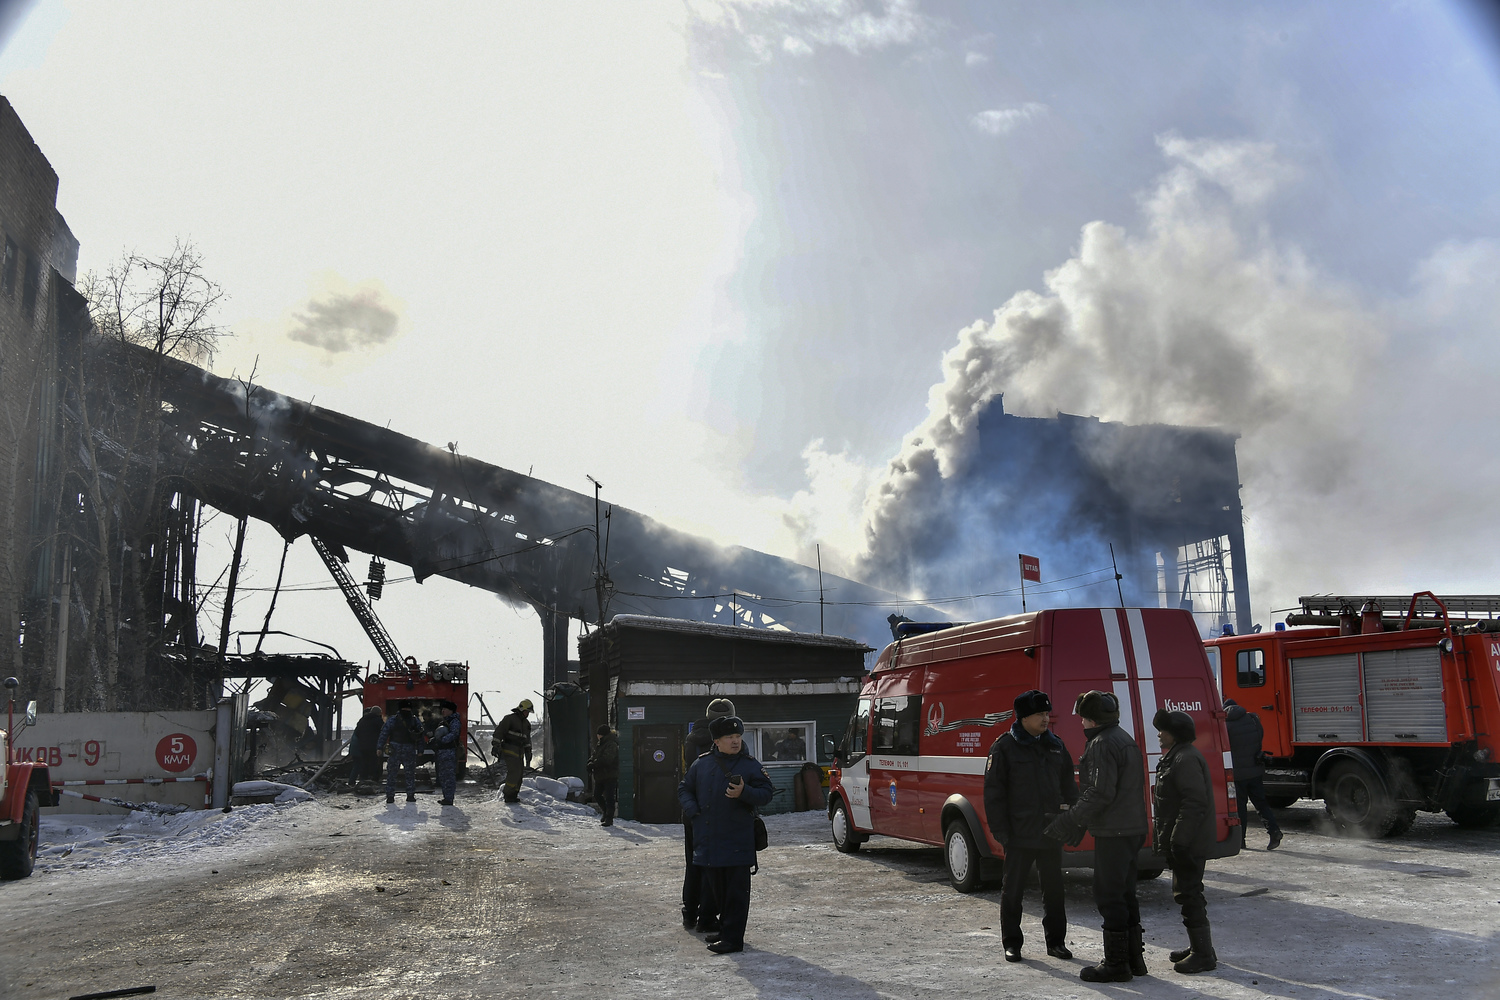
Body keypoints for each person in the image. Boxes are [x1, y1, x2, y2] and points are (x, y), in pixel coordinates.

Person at [1044, 690, 1149, 983]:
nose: (1080, 723)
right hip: (1132, 827)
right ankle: (1133, 959)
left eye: (1082, 718)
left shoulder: (1102, 744)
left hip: (1115, 831)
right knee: (1126, 892)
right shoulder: (1124, 737)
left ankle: (1116, 964)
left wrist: (1069, 820)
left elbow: (1100, 791)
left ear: (1090, 718)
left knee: (1109, 895)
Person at [983, 689, 1079, 963]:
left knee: (1055, 891)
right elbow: (993, 793)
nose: (1046, 719)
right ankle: (1012, 943)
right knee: (1012, 891)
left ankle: (1056, 942)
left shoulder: (1056, 746)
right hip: (1019, 834)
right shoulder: (1004, 747)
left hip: (1051, 832)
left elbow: (1069, 788)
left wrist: (1072, 820)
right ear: (1023, 717)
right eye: (1040, 714)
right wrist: (1000, 831)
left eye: (1047, 713)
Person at [677, 715, 774, 954]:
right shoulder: (702, 764)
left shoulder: (750, 765)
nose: (735, 741)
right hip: (708, 839)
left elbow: (766, 793)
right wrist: (693, 811)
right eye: (729, 737)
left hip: (738, 840)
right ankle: (725, 931)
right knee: (718, 891)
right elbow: (684, 788)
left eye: (738, 736)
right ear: (717, 741)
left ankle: (733, 940)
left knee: (736, 894)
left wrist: (744, 792)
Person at [1152, 708, 1218, 974]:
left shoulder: (1185, 759)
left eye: (1163, 730)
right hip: (1184, 840)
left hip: (1188, 842)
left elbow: (1194, 802)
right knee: (1187, 893)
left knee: (1189, 893)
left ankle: (1203, 955)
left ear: (1175, 734)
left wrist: (1179, 841)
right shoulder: (1178, 756)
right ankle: (1200, 948)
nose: (1158, 734)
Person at [681, 697, 735, 931]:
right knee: (715, 866)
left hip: (693, 811)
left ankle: (690, 912)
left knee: (693, 862)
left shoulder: (691, 740)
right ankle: (708, 916)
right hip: (719, 811)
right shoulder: (729, 744)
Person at [1223, 698, 1282, 851]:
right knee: (1261, 803)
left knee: (1241, 806)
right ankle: (1274, 831)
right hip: (1255, 770)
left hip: (1237, 774)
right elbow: (1259, 739)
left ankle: (1241, 840)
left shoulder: (1225, 726)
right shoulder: (1253, 719)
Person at [376, 704, 424, 804]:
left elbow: (384, 733)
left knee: (394, 774)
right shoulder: (414, 720)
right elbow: (420, 735)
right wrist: (420, 750)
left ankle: (391, 796)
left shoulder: (393, 720)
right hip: (407, 750)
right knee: (407, 773)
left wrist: (380, 747)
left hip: (396, 749)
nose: (406, 710)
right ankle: (408, 795)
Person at [493, 699, 534, 803]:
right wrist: (495, 745)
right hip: (509, 749)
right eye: (526, 711)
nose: (527, 714)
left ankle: (514, 793)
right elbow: (499, 732)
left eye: (528, 712)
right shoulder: (509, 719)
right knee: (514, 772)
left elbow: (527, 739)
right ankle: (508, 794)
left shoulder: (526, 724)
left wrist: (528, 751)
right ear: (521, 709)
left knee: (519, 773)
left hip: (519, 751)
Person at [588, 724, 620, 826]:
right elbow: (595, 755)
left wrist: (594, 764)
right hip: (601, 775)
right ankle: (606, 813)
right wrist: (590, 762)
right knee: (597, 795)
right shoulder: (601, 744)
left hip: (609, 774)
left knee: (609, 797)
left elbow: (607, 759)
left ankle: (609, 818)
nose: (597, 736)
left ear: (602, 735)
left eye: (598, 734)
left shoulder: (611, 744)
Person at [432, 702, 462, 806]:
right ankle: (446, 797)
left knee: (449, 776)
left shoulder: (454, 722)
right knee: (443, 776)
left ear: (451, 710)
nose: (442, 711)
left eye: (445, 709)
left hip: (449, 752)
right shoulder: (445, 721)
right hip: (442, 752)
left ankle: (449, 798)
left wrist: (442, 740)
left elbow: (454, 734)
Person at [348, 705, 385, 788]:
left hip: (362, 747)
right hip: (373, 746)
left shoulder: (362, 720)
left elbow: (357, 733)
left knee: (364, 763)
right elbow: (384, 731)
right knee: (374, 763)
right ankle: (373, 781)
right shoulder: (378, 720)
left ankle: (363, 780)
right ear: (379, 713)